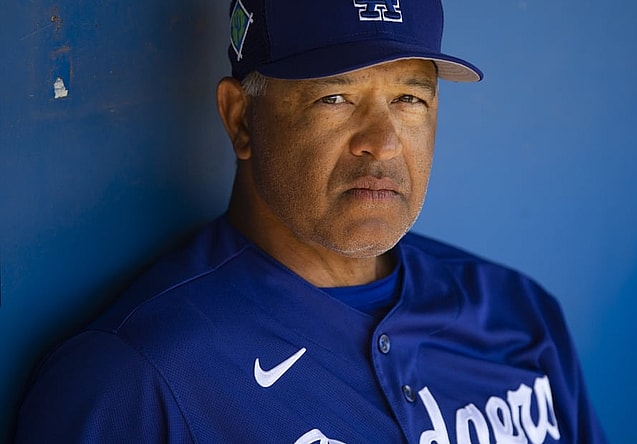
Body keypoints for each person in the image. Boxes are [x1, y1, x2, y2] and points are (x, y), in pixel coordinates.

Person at [15, 0, 607, 442]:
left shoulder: (518, 316)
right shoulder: (138, 378)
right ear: (241, 119)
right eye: (335, 98)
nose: (382, 144)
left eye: (410, 99)